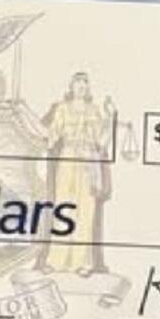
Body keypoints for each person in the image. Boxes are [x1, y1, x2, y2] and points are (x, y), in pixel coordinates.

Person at [39, 72, 112, 275]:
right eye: (78, 83)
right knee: (64, 208)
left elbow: (102, 141)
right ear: (71, 87)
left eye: (85, 84)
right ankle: (56, 261)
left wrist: (111, 118)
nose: (81, 87)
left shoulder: (94, 111)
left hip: (87, 162)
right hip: (68, 158)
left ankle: (82, 263)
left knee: (86, 210)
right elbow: (50, 136)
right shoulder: (62, 109)